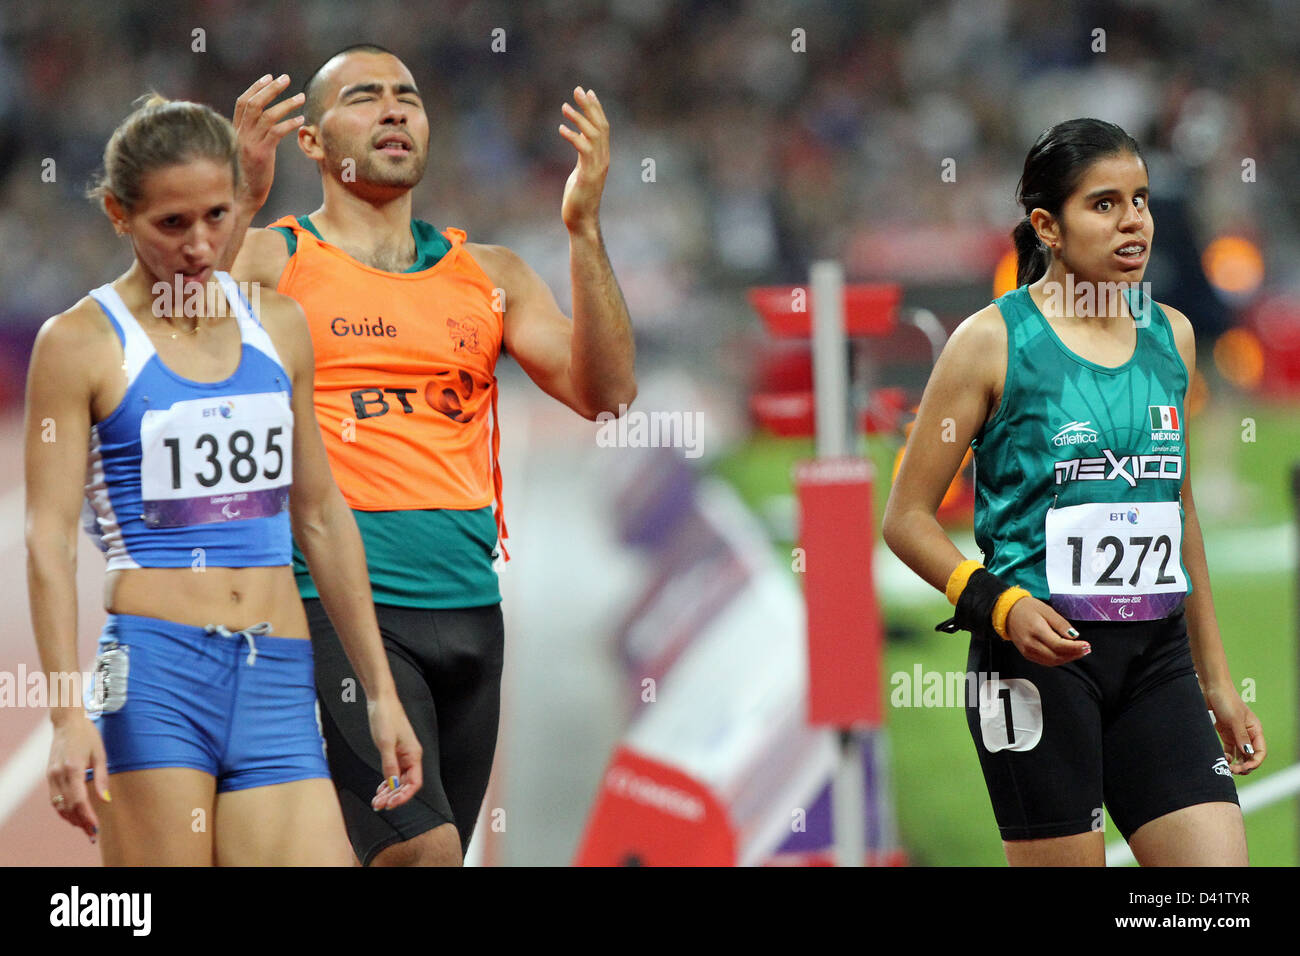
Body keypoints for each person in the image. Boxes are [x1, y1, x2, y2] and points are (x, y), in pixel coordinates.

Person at [224, 47, 636, 866]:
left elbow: (608, 392)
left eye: (407, 98)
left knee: (419, 858)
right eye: (363, 97)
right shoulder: (273, 260)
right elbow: (165, 336)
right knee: (427, 852)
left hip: (471, 612)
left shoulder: (490, 273)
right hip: (341, 608)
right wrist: (238, 200)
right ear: (312, 142)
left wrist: (584, 230)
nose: (393, 111)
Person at [25, 93, 424, 866]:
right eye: (170, 225)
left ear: (240, 203)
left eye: (216, 216)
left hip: (276, 671)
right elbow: (46, 540)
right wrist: (67, 717)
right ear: (117, 213)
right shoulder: (78, 343)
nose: (200, 245)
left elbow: (318, 516)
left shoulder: (279, 327)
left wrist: (380, 690)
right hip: (154, 676)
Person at [882, 118, 1265, 866]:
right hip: (1036, 669)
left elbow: (1177, 511)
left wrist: (1216, 679)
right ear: (1046, 226)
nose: (1133, 222)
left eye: (1142, 200)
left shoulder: (1173, 336)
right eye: (1105, 204)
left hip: (1156, 660)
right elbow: (906, 519)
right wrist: (998, 602)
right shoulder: (991, 342)